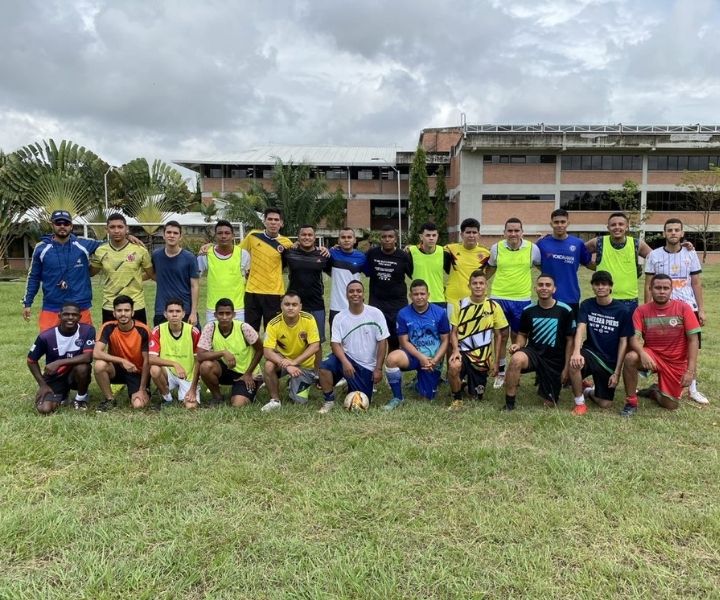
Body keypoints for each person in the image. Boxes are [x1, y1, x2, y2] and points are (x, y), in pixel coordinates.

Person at [643, 218, 708, 404]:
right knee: (662, 346)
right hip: (663, 309)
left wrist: (701, 309)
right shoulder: (654, 255)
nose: (673, 233)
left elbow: (696, 282)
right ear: (664, 233)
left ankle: (692, 388)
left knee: (691, 347)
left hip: (688, 308)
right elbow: (648, 285)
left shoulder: (690, 253)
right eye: (669, 230)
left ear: (682, 233)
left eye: (676, 230)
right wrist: (647, 311)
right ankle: (660, 382)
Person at [621, 274, 701, 417]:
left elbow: (693, 340)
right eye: (658, 288)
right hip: (653, 356)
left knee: (670, 405)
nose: (662, 291)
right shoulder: (641, 310)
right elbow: (634, 338)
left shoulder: (684, 308)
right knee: (631, 357)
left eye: (666, 288)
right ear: (650, 289)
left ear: (671, 290)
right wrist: (643, 353)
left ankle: (654, 391)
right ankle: (631, 402)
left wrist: (690, 371)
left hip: (675, 362)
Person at [22, 210, 104, 330]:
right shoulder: (42, 248)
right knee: (49, 345)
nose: (62, 226)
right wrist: (27, 302)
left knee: (84, 346)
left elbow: (109, 244)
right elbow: (34, 277)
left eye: (66, 223)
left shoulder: (83, 245)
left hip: (80, 306)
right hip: (52, 307)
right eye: (58, 223)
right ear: (52, 225)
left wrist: (128, 237)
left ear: (71, 226)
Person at [503, 274, 575, 411]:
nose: (544, 288)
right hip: (533, 353)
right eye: (541, 285)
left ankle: (548, 387)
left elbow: (570, 341)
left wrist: (566, 368)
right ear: (535, 288)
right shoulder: (528, 310)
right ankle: (509, 404)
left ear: (554, 289)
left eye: (548, 285)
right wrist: (518, 345)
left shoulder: (565, 310)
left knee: (549, 404)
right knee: (516, 359)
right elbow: (523, 334)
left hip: (554, 359)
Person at [485, 217, 542, 388]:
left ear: (522, 232)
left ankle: (514, 373)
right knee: (500, 336)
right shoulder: (496, 248)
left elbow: (543, 268)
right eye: (509, 230)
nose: (513, 233)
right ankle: (501, 372)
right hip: (499, 297)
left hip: (521, 300)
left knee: (517, 337)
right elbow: (490, 269)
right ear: (504, 233)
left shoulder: (533, 249)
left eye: (517, 230)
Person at [568, 271, 633, 415]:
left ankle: (587, 390)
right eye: (597, 284)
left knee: (605, 404)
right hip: (590, 352)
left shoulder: (622, 310)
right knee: (574, 364)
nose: (600, 287)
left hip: (608, 361)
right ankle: (579, 403)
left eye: (604, 284)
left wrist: (617, 372)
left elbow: (624, 342)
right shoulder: (587, 304)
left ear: (610, 287)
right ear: (592, 286)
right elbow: (581, 328)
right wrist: (576, 352)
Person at [318, 281, 389, 413]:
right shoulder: (339, 317)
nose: (355, 294)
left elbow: (382, 342)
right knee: (324, 367)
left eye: (358, 291)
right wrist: (345, 362)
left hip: (366, 366)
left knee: (362, 399)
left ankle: (349, 383)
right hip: (346, 358)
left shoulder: (376, 313)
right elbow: (335, 344)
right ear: (346, 294)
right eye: (351, 291)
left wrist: (378, 368)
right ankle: (329, 400)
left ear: (363, 294)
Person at [383, 279, 450, 410]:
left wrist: (435, 360)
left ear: (428, 295)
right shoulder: (403, 313)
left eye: (422, 294)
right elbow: (403, 341)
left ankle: (419, 384)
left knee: (426, 399)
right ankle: (398, 397)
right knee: (391, 359)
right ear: (410, 296)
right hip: (413, 355)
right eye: (416, 294)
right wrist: (421, 358)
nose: (419, 297)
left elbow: (445, 340)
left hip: (432, 360)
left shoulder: (440, 313)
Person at [447, 271, 509, 411]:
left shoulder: (493, 306)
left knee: (476, 397)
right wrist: (456, 350)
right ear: (469, 285)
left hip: (482, 358)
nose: (478, 286)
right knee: (454, 366)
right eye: (474, 283)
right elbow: (454, 332)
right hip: (463, 351)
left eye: (481, 283)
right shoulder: (460, 304)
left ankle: (465, 385)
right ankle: (457, 398)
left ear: (486, 285)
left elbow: (499, 335)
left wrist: (496, 361)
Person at [26, 301, 95, 413]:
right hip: (55, 377)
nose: (70, 317)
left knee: (83, 367)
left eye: (74, 315)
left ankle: (80, 399)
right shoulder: (46, 336)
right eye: (66, 314)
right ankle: (63, 395)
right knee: (44, 409)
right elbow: (31, 361)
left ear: (80, 317)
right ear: (59, 316)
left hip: (75, 375)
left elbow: (88, 357)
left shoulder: (88, 330)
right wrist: (42, 385)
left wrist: (58, 362)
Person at [194, 298, 263, 407]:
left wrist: (248, 373)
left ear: (234, 314)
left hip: (245, 372)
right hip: (225, 369)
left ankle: (249, 390)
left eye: (228, 313)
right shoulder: (210, 327)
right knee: (206, 366)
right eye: (221, 314)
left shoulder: (244, 328)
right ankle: (217, 397)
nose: (224, 317)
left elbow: (260, 349)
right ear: (215, 315)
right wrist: (222, 352)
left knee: (238, 404)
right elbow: (200, 356)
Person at [260, 291, 321, 412]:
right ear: (281, 306)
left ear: (300, 306)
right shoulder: (273, 324)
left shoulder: (309, 319)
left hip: (304, 365)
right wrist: (288, 365)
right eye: (287, 304)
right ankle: (275, 400)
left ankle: (294, 382)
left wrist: (294, 362)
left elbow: (315, 346)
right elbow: (267, 352)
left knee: (299, 402)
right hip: (284, 362)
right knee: (268, 365)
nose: (290, 308)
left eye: (294, 304)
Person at [90, 213, 153, 324]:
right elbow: (90, 272)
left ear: (126, 229)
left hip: (135, 305)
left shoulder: (140, 250)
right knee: (112, 341)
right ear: (107, 229)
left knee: (139, 341)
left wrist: (135, 278)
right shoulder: (101, 251)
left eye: (120, 227)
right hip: (110, 305)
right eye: (112, 227)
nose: (116, 230)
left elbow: (151, 273)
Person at [585, 212, 652, 315]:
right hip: (605, 298)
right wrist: (596, 266)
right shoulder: (598, 242)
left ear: (627, 227)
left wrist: (683, 249)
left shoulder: (636, 244)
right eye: (613, 225)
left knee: (629, 331)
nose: (617, 227)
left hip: (629, 300)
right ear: (608, 227)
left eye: (621, 224)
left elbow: (658, 258)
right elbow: (578, 253)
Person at [239, 207, 293, 332]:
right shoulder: (253, 236)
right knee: (250, 332)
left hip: (274, 293)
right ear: (264, 221)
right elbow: (236, 253)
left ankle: (270, 353)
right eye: (270, 219)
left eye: (276, 220)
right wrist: (212, 247)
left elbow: (303, 253)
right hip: (252, 291)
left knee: (272, 332)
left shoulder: (287, 243)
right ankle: (252, 352)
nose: (273, 222)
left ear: (281, 223)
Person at [93, 295, 151, 412]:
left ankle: (143, 390)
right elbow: (96, 353)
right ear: (114, 313)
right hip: (117, 369)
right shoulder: (108, 327)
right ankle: (110, 400)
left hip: (136, 371)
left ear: (133, 312)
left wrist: (142, 388)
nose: (123, 314)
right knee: (99, 365)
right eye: (119, 311)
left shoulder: (143, 330)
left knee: (138, 405)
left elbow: (147, 361)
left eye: (127, 310)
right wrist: (122, 361)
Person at [284, 224, 329, 374]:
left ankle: (317, 373)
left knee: (316, 341)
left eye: (310, 235)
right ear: (298, 237)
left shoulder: (323, 255)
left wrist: (330, 249)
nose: (307, 237)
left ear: (315, 238)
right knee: (293, 339)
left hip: (316, 303)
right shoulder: (289, 253)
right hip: (294, 304)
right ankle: (292, 370)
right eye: (303, 235)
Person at [536, 208, 593, 318]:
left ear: (568, 223)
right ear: (551, 224)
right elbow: (535, 262)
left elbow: (588, 263)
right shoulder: (542, 243)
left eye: (563, 222)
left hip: (571, 296)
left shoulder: (578, 243)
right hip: (548, 296)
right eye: (556, 222)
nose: (560, 225)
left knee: (570, 333)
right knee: (549, 332)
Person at [364, 225, 412, 351]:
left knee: (395, 338)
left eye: (390, 236)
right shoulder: (372, 254)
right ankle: (375, 367)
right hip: (377, 302)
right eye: (384, 237)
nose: (387, 239)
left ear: (395, 239)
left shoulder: (403, 256)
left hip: (397, 303)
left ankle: (392, 367)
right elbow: (363, 268)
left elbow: (412, 273)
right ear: (380, 239)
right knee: (375, 337)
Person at [149, 298, 201, 409]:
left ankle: (187, 392)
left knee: (191, 406)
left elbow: (199, 360)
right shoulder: (158, 330)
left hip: (188, 375)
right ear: (165, 314)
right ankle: (167, 398)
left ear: (183, 314)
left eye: (177, 311)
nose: (174, 315)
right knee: (154, 369)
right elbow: (151, 359)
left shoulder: (193, 331)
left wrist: (193, 387)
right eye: (171, 311)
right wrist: (175, 364)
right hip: (168, 372)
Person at [197, 220, 249, 324]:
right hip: (213, 309)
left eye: (227, 233)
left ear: (233, 236)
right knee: (214, 339)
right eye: (220, 233)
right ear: (215, 235)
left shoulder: (243, 254)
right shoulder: (206, 254)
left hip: (237, 309)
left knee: (238, 339)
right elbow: (195, 277)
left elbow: (249, 278)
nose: (223, 236)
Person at [150, 221, 199, 327]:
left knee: (188, 342)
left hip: (184, 310)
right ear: (163, 235)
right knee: (162, 342)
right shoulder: (156, 255)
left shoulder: (189, 258)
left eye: (175, 233)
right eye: (168, 232)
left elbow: (194, 286)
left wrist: (193, 312)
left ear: (180, 237)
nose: (171, 235)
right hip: (161, 310)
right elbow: (152, 274)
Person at [444, 218, 491, 314]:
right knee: (452, 329)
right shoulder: (450, 249)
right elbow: (431, 250)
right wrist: (413, 247)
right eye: (468, 232)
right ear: (461, 234)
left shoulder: (486, 253)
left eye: (474, 232)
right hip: (453, 299)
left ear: (479, 234)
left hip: (475, 300)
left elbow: (491, 270)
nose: (471, 235)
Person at [407, 222, 454, 308]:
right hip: (419, 300)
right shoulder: (411, 252)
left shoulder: (445, 253)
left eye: (434, 235)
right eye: (428, 235)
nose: (431, 238)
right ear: (421, 236)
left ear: (437, 236)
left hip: (439, 300)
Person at [328, 227, 366, 329]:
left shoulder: (362, 257)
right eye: (343, 237)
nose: (346, 239)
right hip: (336, 306)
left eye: (349, 237)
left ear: (354, 240)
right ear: (338, 240)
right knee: (336, 340)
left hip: (355, 305)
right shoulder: (331, 253)